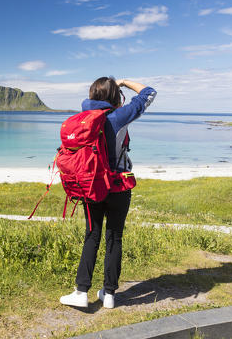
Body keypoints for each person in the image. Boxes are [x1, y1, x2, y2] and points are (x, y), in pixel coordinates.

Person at [59, 77, 156, 309]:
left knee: (92, 236)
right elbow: (149, 93)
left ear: (91, 94)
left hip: (92, 186)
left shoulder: (83, 119)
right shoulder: (120, 116)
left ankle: (81, 292)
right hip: (119, 186)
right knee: (115, 238)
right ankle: (109, 294)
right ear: (115, 96)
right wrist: (124, 82)